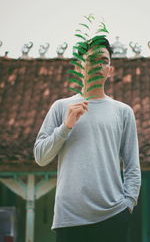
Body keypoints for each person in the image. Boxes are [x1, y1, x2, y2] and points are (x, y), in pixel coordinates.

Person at [33, 37, 141, 242]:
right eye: (92, 59)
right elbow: (40, 156)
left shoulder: (123, 112)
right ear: (80, 65)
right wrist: (66, 126)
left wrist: (128, 204)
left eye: (104, 60)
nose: (99, 64)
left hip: (113, 215)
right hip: (69, 218)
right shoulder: (61, 107)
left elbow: (132, 166)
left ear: (110, 70)